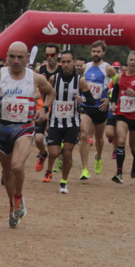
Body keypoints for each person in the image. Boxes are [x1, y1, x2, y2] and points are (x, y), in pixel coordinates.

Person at [0, 42, 55, 226]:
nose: (16, 61)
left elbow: (51, 93)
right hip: (3, 128)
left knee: (18, 167)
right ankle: (12, 205)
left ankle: (18, 197)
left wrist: (45, 110)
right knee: (7, 171)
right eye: (12, 56)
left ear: (28, 58)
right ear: (7, 57)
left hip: (24, 128)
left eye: (20, 57)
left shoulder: (34, 78)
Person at [44, 50, 85, 193]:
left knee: (67, 153)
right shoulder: (53, 79)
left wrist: (83, 100)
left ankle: (63, 182)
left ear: (74, 62)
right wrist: (45, 111)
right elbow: (48, 96)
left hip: (72, 123)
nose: (66, 65)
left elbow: (91, 98)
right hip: (55, 121)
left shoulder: (80, 80)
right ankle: (49, 168)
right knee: (54, 152)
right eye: (64, 62)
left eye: (69, 62)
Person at [109, 51, 135, 183]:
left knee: (133, 145)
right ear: (127, 61)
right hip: (122, 113)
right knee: (120, 140)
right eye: (130, 60)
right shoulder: (120, 76)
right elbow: (115, 92)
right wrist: (114, 103)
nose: (132, 62)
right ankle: (119, 172)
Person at [77, 40, 115, 180]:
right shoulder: (85, 67)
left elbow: (117, 85)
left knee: (99, 138)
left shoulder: (108, 68)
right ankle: (85, 169)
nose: (95, 54)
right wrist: (79, 97)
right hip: (86, 107)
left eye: (98, 51)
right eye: (93, 51)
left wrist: (109, 99)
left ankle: (98, 157)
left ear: (103, 52)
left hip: (100, 107)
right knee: (84, 135)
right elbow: (79, 84)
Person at [32, 44, 62, 174]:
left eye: (52, 55)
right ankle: (43, 153)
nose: (49, 58)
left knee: (55, 140)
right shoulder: (40, 69)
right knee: (38, 138)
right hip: (42, 108)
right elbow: (35, 88)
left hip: (58, 109)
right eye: (47, 55)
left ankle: (58, 161)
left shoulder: (62, 70)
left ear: (57, 55)